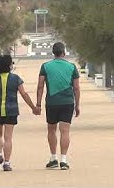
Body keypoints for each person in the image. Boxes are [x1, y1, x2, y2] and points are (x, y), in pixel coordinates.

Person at [0, 55, 38, 171]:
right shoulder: (16, 79)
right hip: (11, 111)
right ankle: (7, 163)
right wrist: (33, 107)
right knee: (8, 137)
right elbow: (24, 94)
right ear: (9, 66)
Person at [36, 42, 80, 170]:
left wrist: (38, 104)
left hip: (52, 102)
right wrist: (77, 105)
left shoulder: (45, 66)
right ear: (64, 52)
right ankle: (64, 160)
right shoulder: (72, 67)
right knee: (65, 131)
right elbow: (76, 88)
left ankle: (53, 157)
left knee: (51, 130)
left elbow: (40, 85)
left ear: (53, 53)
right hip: (67, 102)